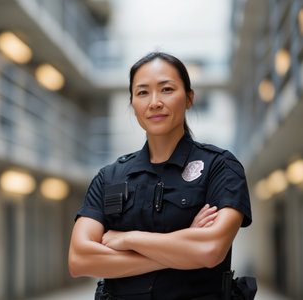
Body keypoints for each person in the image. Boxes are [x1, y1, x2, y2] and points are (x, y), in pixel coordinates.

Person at [69, 52, 252, 300]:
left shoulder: (220, 167)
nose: (154, 102)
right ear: (133, 103)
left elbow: (209, 250)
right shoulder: (110, 176)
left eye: (166, 89)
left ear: (189, 98)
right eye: (143, 92)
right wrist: (183, 248)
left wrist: (128, 238)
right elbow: (80, 259)